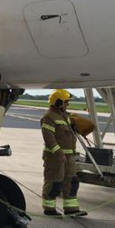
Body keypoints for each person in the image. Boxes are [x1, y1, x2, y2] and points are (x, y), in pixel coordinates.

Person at [40, 89, 87, 217]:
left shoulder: (65, 116)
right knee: (54, 182)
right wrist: (58, 153)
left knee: (72, 181)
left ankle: (71, 209)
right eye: (66, 102)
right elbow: (49, 137)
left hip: (69, 156)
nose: (68, 104)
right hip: (55, 157)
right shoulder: (49, 117)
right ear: (59, 102)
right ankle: (49, 209)